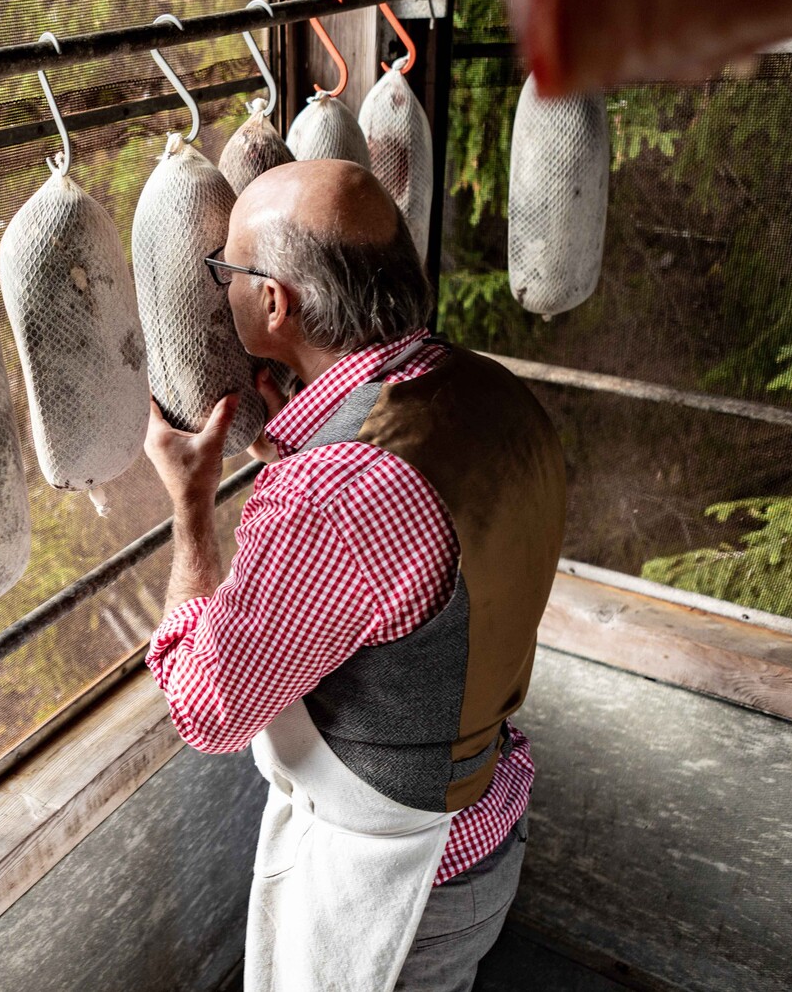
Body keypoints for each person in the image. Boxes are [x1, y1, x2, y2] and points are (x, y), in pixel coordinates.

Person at [141, 158, 567, 992]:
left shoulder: (330, 498)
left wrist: (191, 506)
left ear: (275, 304)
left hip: (404, 885)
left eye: (226, 269)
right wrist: (302, 446)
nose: (219, 286)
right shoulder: (492, 390)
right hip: (487, 829)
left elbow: (207, 710)